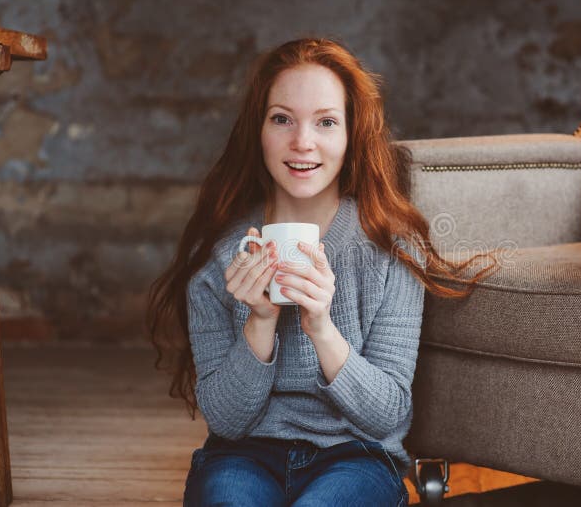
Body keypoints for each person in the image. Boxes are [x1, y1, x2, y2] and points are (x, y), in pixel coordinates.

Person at [145, 37, 500, 506]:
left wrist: (321, 328)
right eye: (282, 119)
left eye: (326, 122)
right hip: (242, 456)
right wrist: (260, 322)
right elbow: (227, 422)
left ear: (352, 134)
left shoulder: (392, 251)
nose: (302, 142)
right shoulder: (219, 256)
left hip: (356, 458)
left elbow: (387, 416)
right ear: (258, 130)